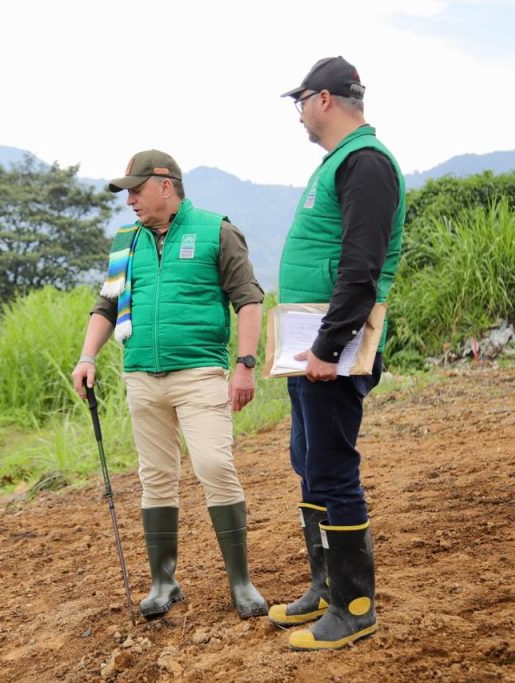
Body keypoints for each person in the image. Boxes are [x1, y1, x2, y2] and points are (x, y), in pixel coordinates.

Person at [71, 149, 268, 620]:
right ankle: (164, 582)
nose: (130, 200)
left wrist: (245, 364)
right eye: (127, 192)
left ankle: (241, 583)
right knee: (155, 478)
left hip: (199, 373)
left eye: (136, 190)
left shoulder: (216, 231)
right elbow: (106, 306)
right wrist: (86, 357)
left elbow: (248, 300)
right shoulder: (126, 243)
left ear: (166, 185)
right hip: (142, 376)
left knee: (214, 466)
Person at [266, 57, 405, 650]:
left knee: (332, 466)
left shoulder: (366, 164)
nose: (298, 114)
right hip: (311, 348)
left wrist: (327, 345)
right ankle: (325, 586)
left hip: (334, 348)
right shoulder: (339, 164)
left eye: (301, 102)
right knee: (309, 460)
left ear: (324, 99)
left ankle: (354, 606)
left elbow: (361, 266)